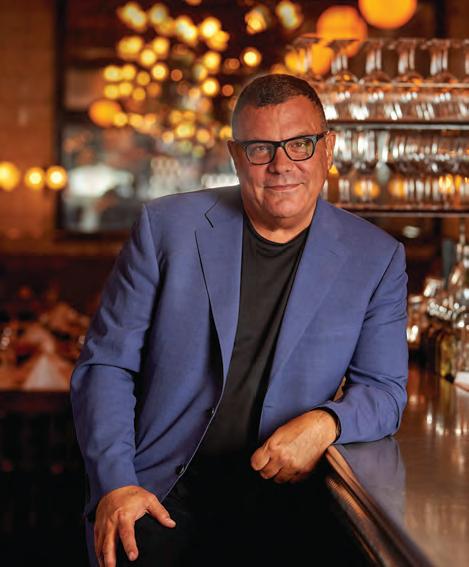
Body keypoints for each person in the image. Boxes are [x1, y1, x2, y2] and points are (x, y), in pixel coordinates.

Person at [70, 74, 408, 567]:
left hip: (291, 508)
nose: (281, 165)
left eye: (300, 144)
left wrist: (326, 423)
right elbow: (106, 365)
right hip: (157, 498)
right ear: (235, 156)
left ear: (328, 149)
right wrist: (116, 483)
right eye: (260, 148)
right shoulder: (165, 228)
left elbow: (385, 391)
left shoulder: (376, 257)